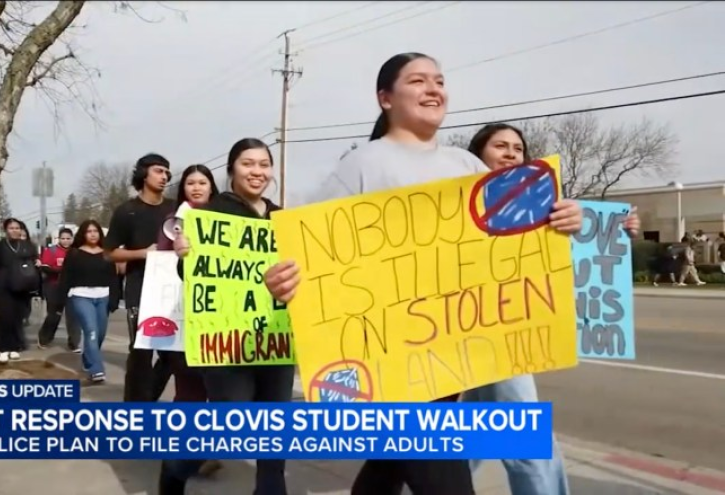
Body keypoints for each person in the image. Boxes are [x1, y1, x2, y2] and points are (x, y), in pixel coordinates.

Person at [263, 53, 584, 495]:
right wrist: (281, 278)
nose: (434, 89)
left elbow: (510, 247)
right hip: (388, 358)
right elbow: (307, 248)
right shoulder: (363, 165)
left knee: (387, 468)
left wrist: (560, 220)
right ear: (385, 99)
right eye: (417, 80)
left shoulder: (466, 167)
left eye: (439, 80)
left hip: (451, 358)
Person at [459, 122, 639, 495]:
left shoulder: (542, 205)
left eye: (518, 148)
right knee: (508, 436)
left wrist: (616, 230)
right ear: (477, 155)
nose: (510, 152)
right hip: (454, 332)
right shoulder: (453, 205)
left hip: (507, 334)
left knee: (495, 432)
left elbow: (579, 249)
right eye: (500, 146)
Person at [165, 139, 293, 495]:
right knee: (231, 427)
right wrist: (184, 255)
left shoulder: (283, 218)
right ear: (232, 169)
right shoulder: (210, 215)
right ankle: (176, 469)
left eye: (264, 164)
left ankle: (271, 488)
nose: (257, 172)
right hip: (228, 344)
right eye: (248, 164)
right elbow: (189, 275)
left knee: (275, 428)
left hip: (276, 338)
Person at [153, 164, 223, 479]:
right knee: (188, 387)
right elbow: (160, 266)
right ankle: (183, 452)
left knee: (218, 389)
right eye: (191, 183)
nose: (196, 187)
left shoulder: (227, 219)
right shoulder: (172, 225)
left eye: (203, 182)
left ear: (212, 187)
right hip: (180, 316)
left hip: (221, 317)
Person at [104, 153, 177, 401]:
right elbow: (110, 253)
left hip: (172, 290)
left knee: (172, 354)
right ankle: (134, 408)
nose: (164, 176)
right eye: (159, 171)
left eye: (167, 172)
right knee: (141, 353)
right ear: (143, 174)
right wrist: (142, 253)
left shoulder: (175, 209)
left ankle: (148, 400)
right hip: (139, 289)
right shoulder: (127, 211)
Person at [56, 220, 120, 382]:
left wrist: (114, 299)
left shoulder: (107, 253)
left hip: (103, 296)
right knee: (90, 331)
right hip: (81, 296)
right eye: (89, 231)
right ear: (83, 234)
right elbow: (65, 278)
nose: (92, 234)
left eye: (95, 231)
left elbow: (114, 278)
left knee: (99, 334)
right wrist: (59, 301)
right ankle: (96, 369)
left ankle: (88, 357)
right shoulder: (74, 253)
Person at [0, 218, 40, 363]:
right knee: (4, 316)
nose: (15, 231)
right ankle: (2, 347)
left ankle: (15, 347)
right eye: (11, 228)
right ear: (5, 230)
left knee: (18, 317)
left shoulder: (28, 246)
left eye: (17, 228)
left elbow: (32, 265)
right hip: (2, 287)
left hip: (22, 286)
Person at [37, 228, 82, 352]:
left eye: (68, 238)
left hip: (72, 288)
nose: (66, 241)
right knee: (54, 315)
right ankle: (44, 338)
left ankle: (74, 343)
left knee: (73, 316)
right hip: (54, 286)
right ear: (59, 239)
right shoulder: (51, 251)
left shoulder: (76, 252)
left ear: (72, 239)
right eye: (63, 238)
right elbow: (45, 267)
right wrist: (60, 271)